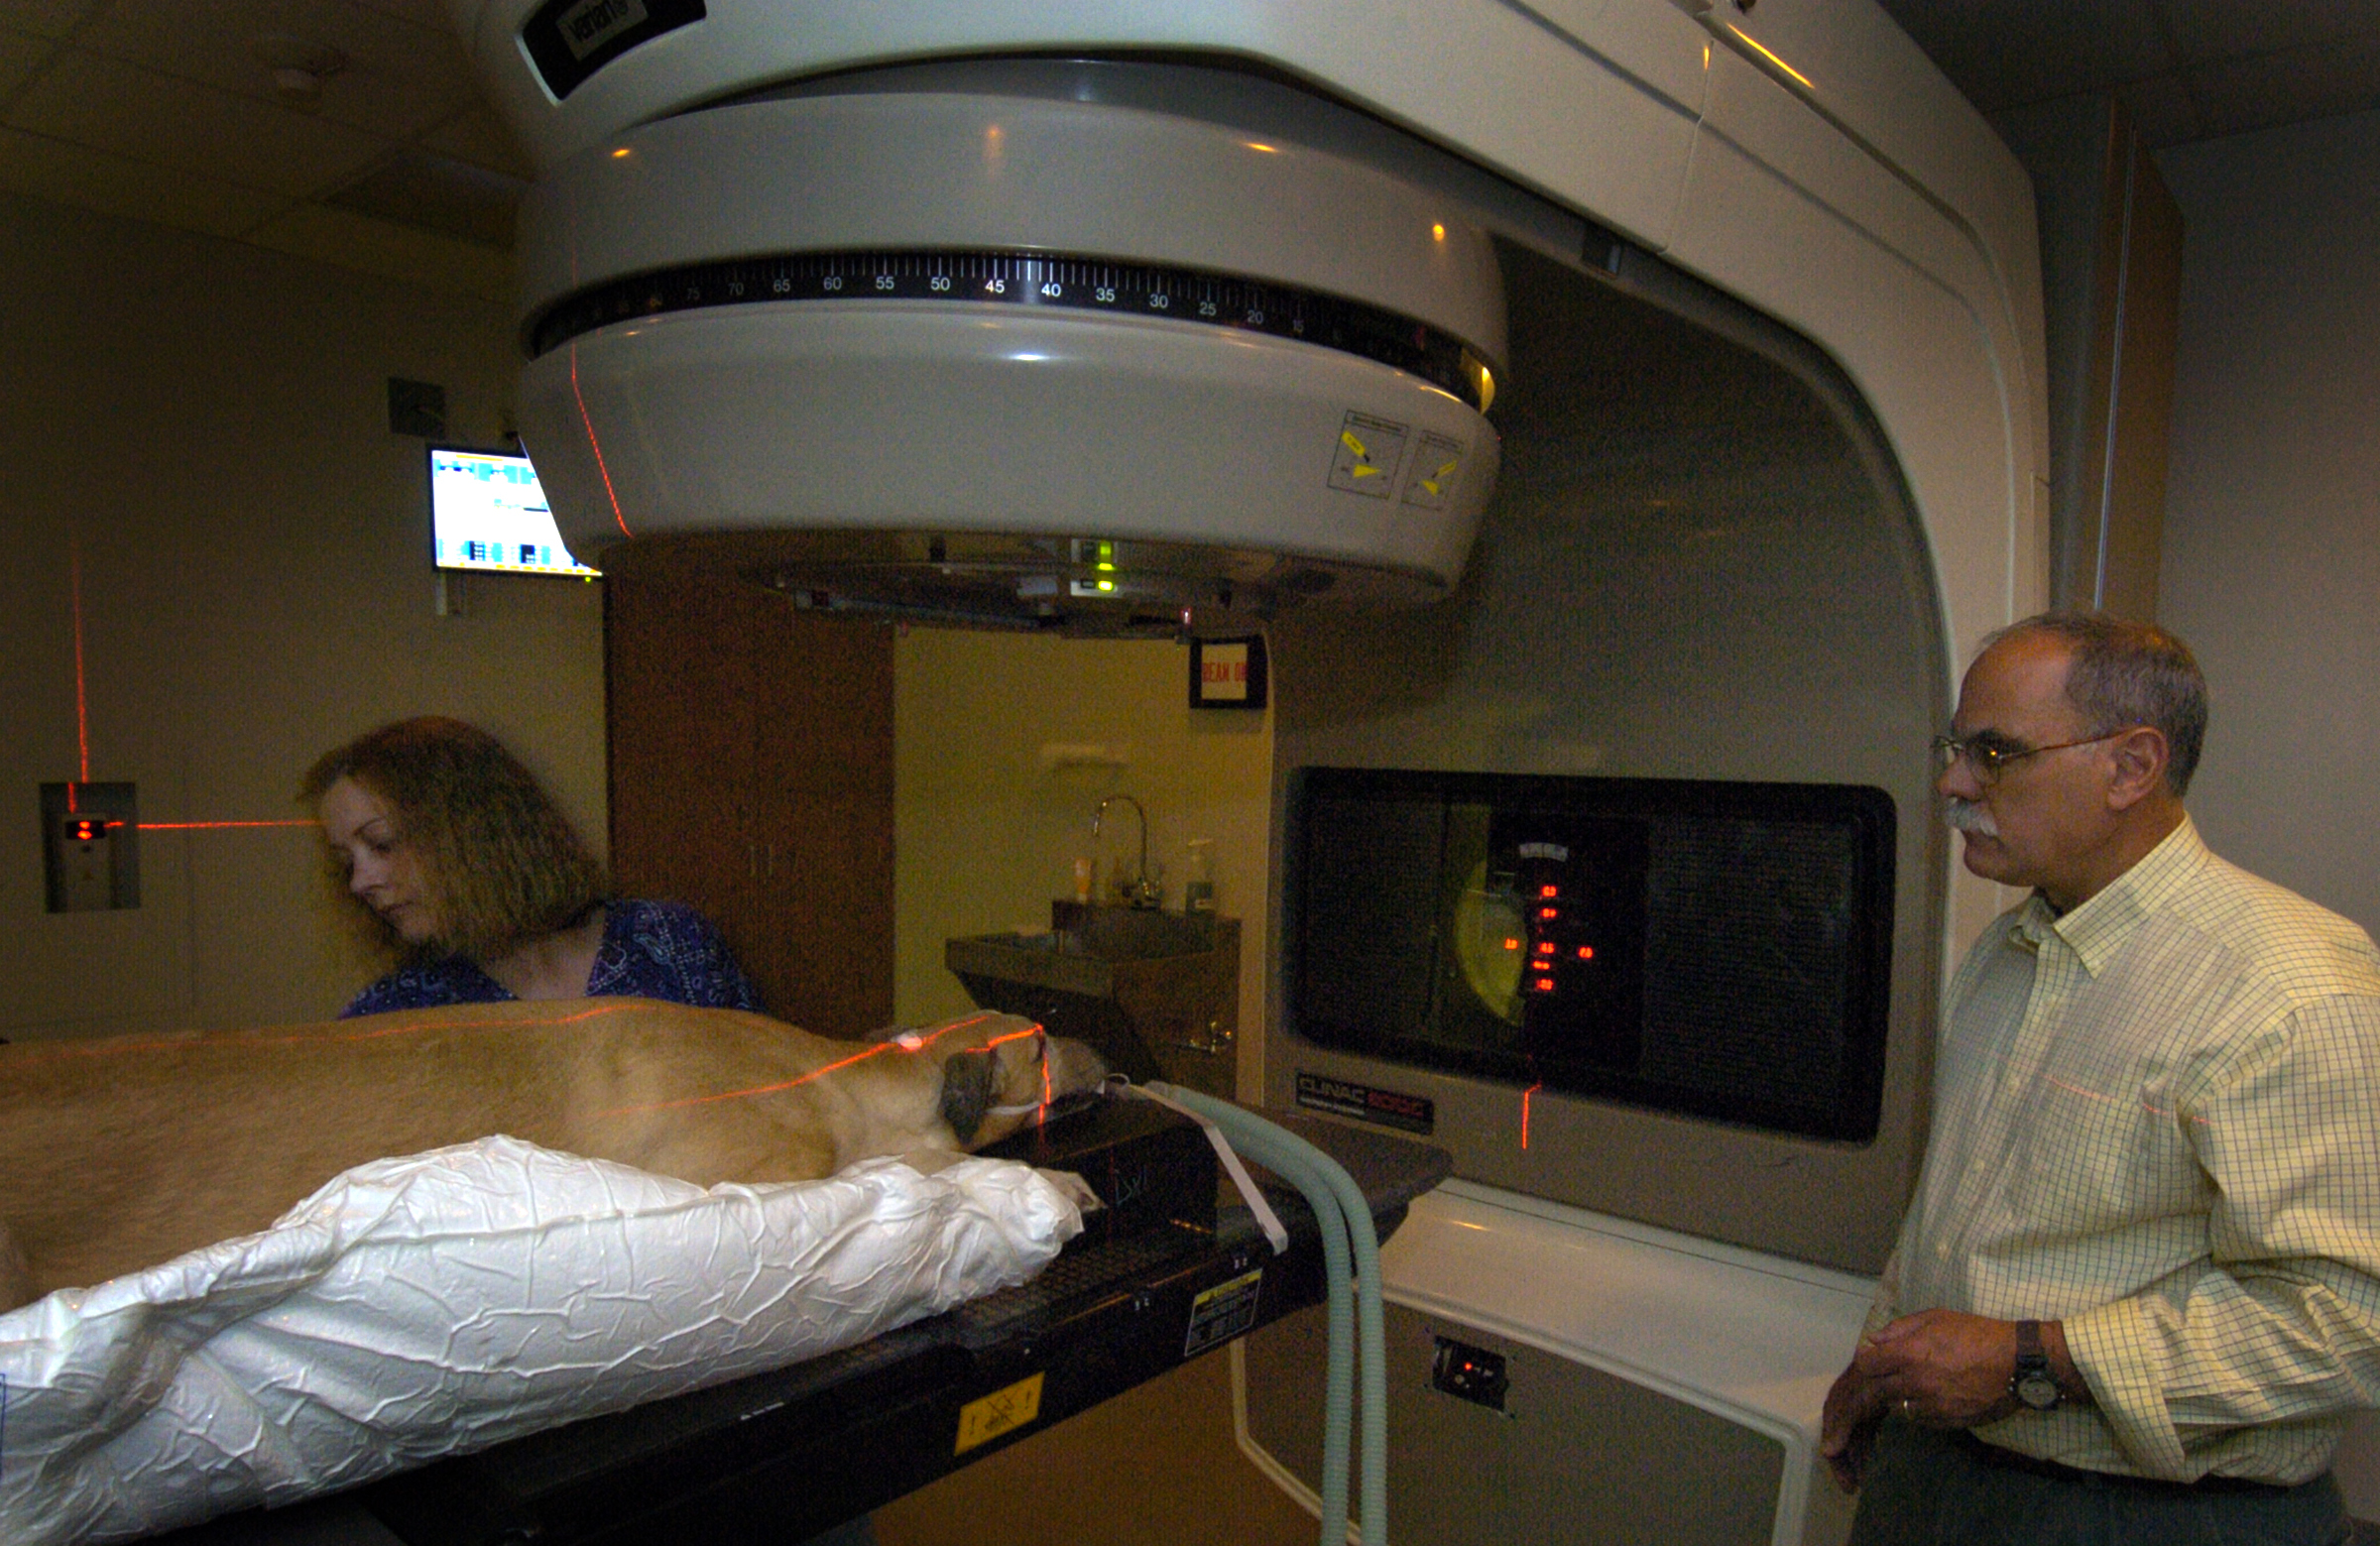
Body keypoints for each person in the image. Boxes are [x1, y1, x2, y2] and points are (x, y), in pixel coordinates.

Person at [1819, 611, 2380, 1545]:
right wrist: (1881, 1365)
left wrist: (2031, 1359)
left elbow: (2349, 1321)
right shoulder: (2009, 947)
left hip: (2150, 1515)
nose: (1953, 783)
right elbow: (1955, 1211)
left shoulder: (2291, 989)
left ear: (2131, 766)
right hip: (1938, 1469)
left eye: (1994, 752)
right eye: (1957, 748)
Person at [302, 716, 761, 1017]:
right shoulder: (396, 1013)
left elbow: (767, 1099)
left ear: (475, 830)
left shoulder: (672, 944)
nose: (360, 882)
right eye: (346, 862)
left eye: (382, 843)